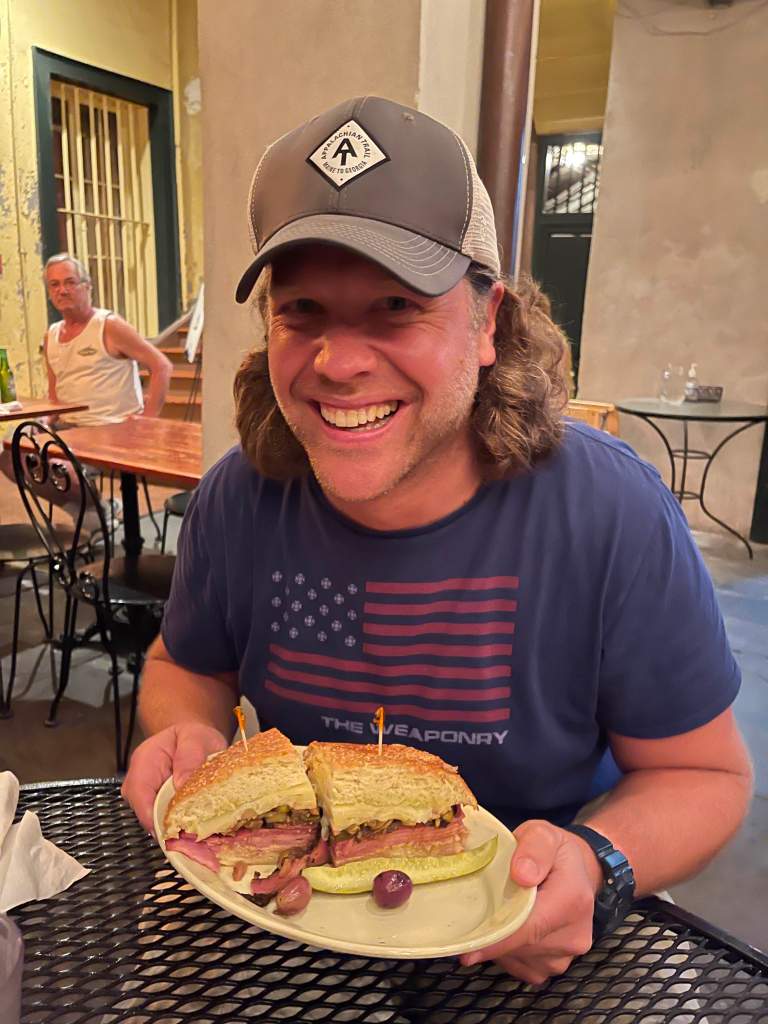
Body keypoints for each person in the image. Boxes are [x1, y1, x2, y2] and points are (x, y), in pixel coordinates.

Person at [121, 97, 752, 983]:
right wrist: (188, 735)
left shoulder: (610, 512)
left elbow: (706, 777)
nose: (339, 362)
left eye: (395, 307)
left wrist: (599, 866)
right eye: (303, 310)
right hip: (296, 930)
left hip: (537, 952)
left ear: (487, 322)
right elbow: (184, 666)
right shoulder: (241, 496)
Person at [1, 254, 172, 508]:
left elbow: (162, 366)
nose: (62, 290)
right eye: (54, 284)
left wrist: (147, 422)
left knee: (58, 465)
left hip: (109, 428)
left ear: (87, 286)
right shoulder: (51, 335)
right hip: (69, 428)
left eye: (70, 282)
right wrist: (44, 420)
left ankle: (95, 514)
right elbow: (55, 398)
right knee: (9, 455)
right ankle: (94, 511)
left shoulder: (108, 325)